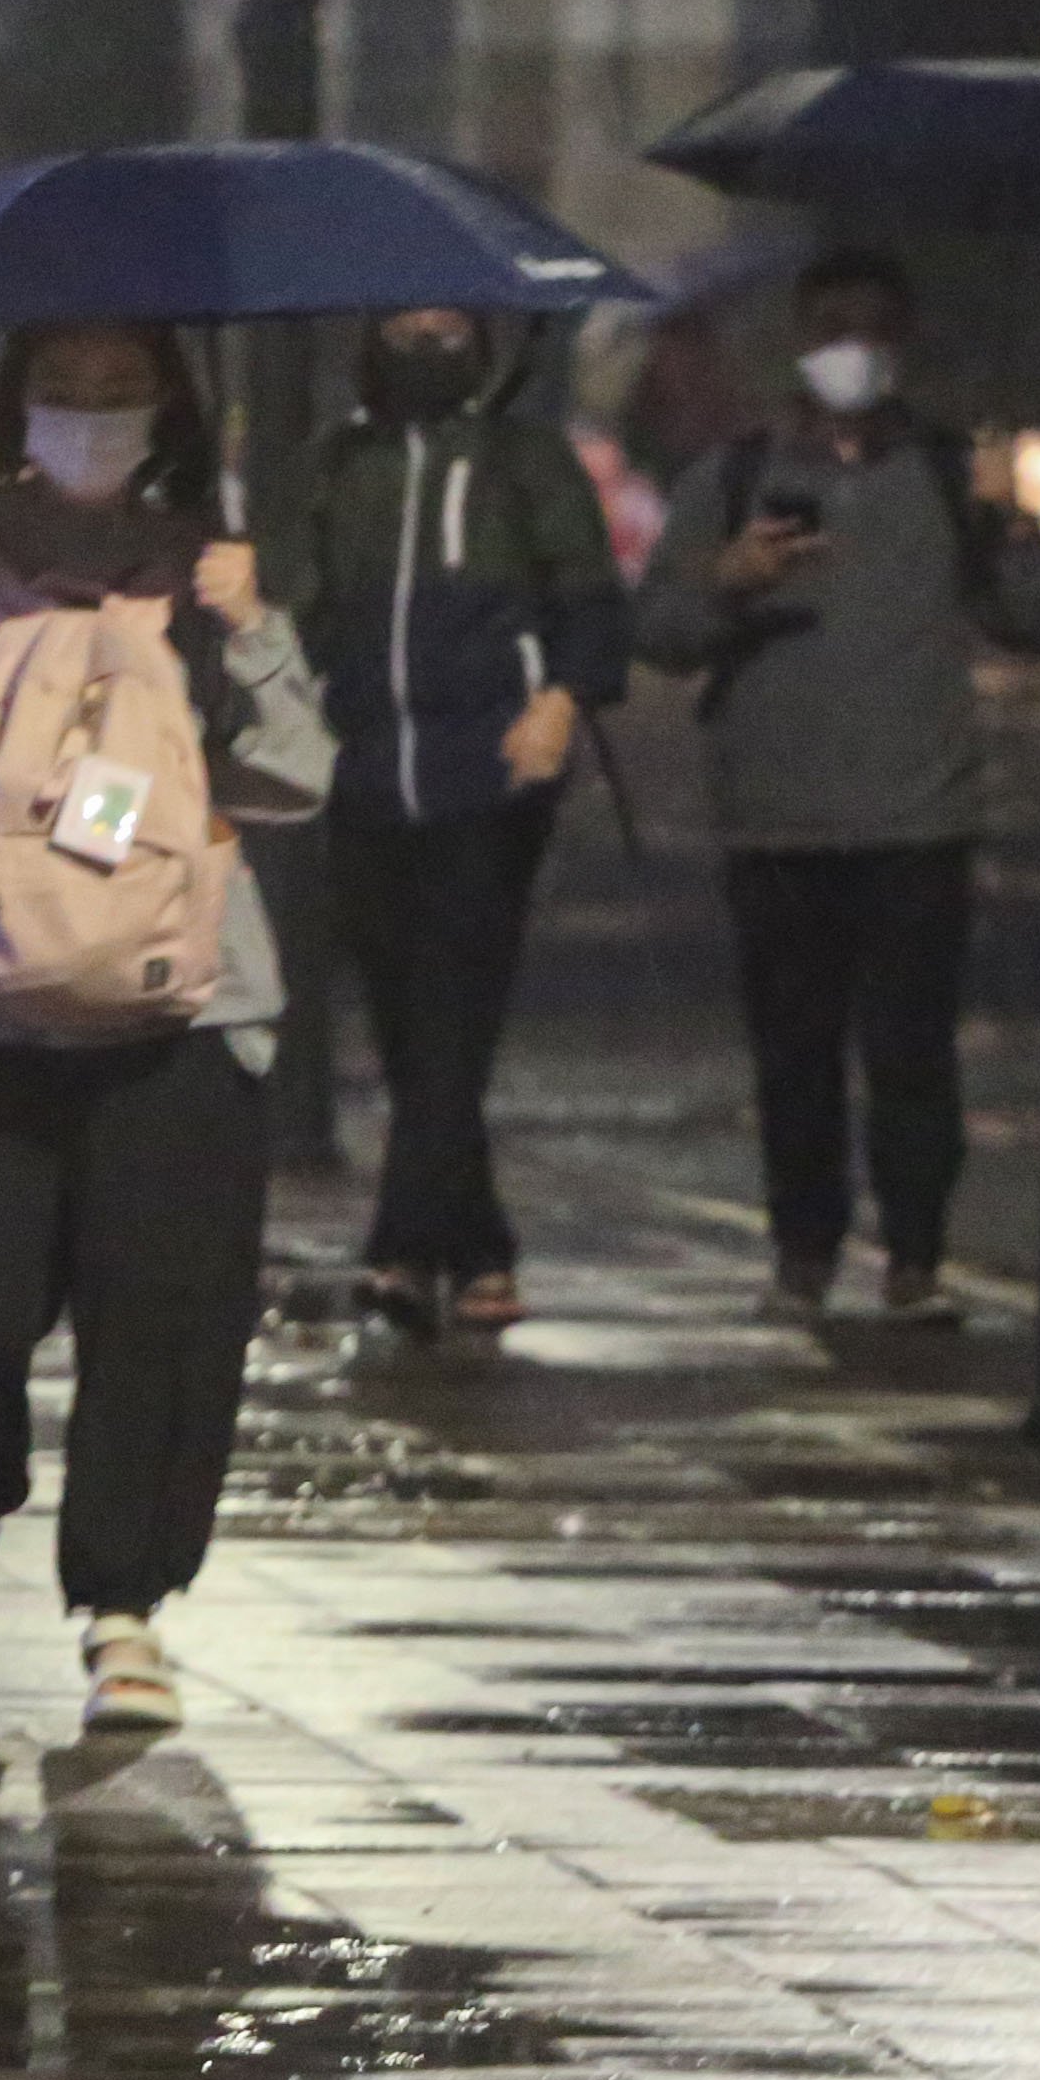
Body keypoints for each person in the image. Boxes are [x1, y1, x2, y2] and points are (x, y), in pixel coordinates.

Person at [0, 321, 337, 1733]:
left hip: (181, 1012)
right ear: (14, 407)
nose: (90, 418)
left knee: (161, 1320)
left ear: (168, 410)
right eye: (64, 392)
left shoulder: (214, 575)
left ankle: (122, 1609)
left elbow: (289, 782)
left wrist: (252, 631)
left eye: (119, 394)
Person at [633, 246, 1040, 1324]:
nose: (851, 350)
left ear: (902, 344)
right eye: (832, 327)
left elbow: (1027, 618)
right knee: (796, 1059)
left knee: (914, 1057)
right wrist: (729, 583)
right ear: (800, 340)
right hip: (776, 821)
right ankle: (804, 1255)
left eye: (872, 327)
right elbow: (661, 633)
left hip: (919, 818)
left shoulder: (952, 473)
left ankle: (915, 1260)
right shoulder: (730, 480)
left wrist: (1019, 527)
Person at [269, 305, 629, 1336]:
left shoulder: (524, 458)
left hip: (492, 773)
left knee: (453, 1008)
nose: (426, 339)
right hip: (366, 771)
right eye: (404, 321)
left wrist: (560, 700)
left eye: (446, 321)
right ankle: (473, 1246)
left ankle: (401, 1244)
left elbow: (589, 594)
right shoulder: (337, 464)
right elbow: (300, 605)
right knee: (403, 1012)